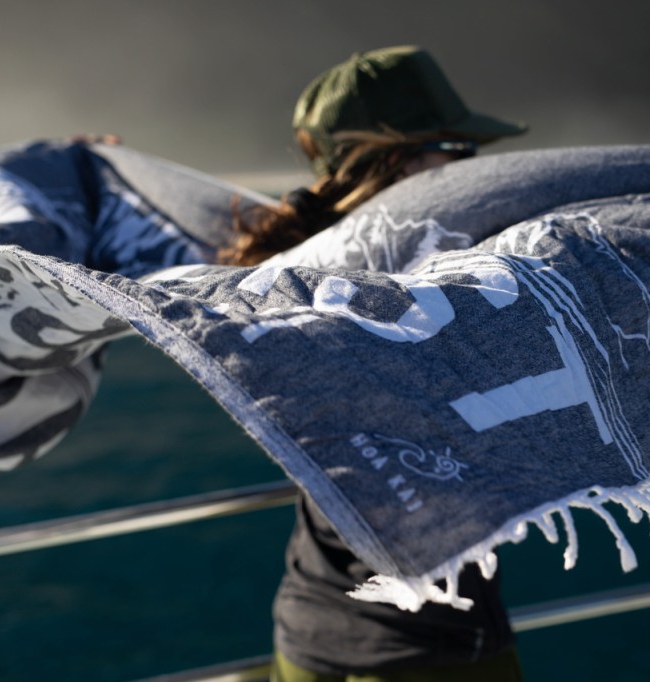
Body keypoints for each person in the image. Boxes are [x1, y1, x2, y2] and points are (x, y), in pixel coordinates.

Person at [217, 46, 528, 681]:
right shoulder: (453, 289)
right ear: (399, 161)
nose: (473, 167)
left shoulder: (293, 278)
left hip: (309, 629)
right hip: (432, 648)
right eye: (458, 149)